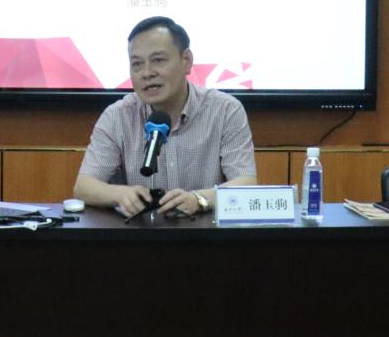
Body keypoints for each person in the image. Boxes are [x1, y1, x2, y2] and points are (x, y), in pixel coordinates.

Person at [74, 16, 257, 217]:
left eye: (158, 60)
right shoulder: (117, 116)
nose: (146, 73)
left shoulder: (225, 110)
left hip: (206, 232)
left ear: (186, 61)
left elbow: (246, 184)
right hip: (140, 233)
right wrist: (120, 194)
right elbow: (84, 186)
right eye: (137, 64)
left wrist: (199, 199)